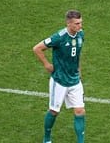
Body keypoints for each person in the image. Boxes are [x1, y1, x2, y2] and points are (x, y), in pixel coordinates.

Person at [33, 10, 86, 143]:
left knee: (80, 111)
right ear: (68, 23)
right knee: (54, 111)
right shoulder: (59, 37)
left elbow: (77, 55)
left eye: (81, 22)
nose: (80, 26)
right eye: (77, 23)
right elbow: (37, 48)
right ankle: (46, 138)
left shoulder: (81, 35)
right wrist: (47, 64)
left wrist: (79, 71)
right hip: (60, 81)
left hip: (74, 81)